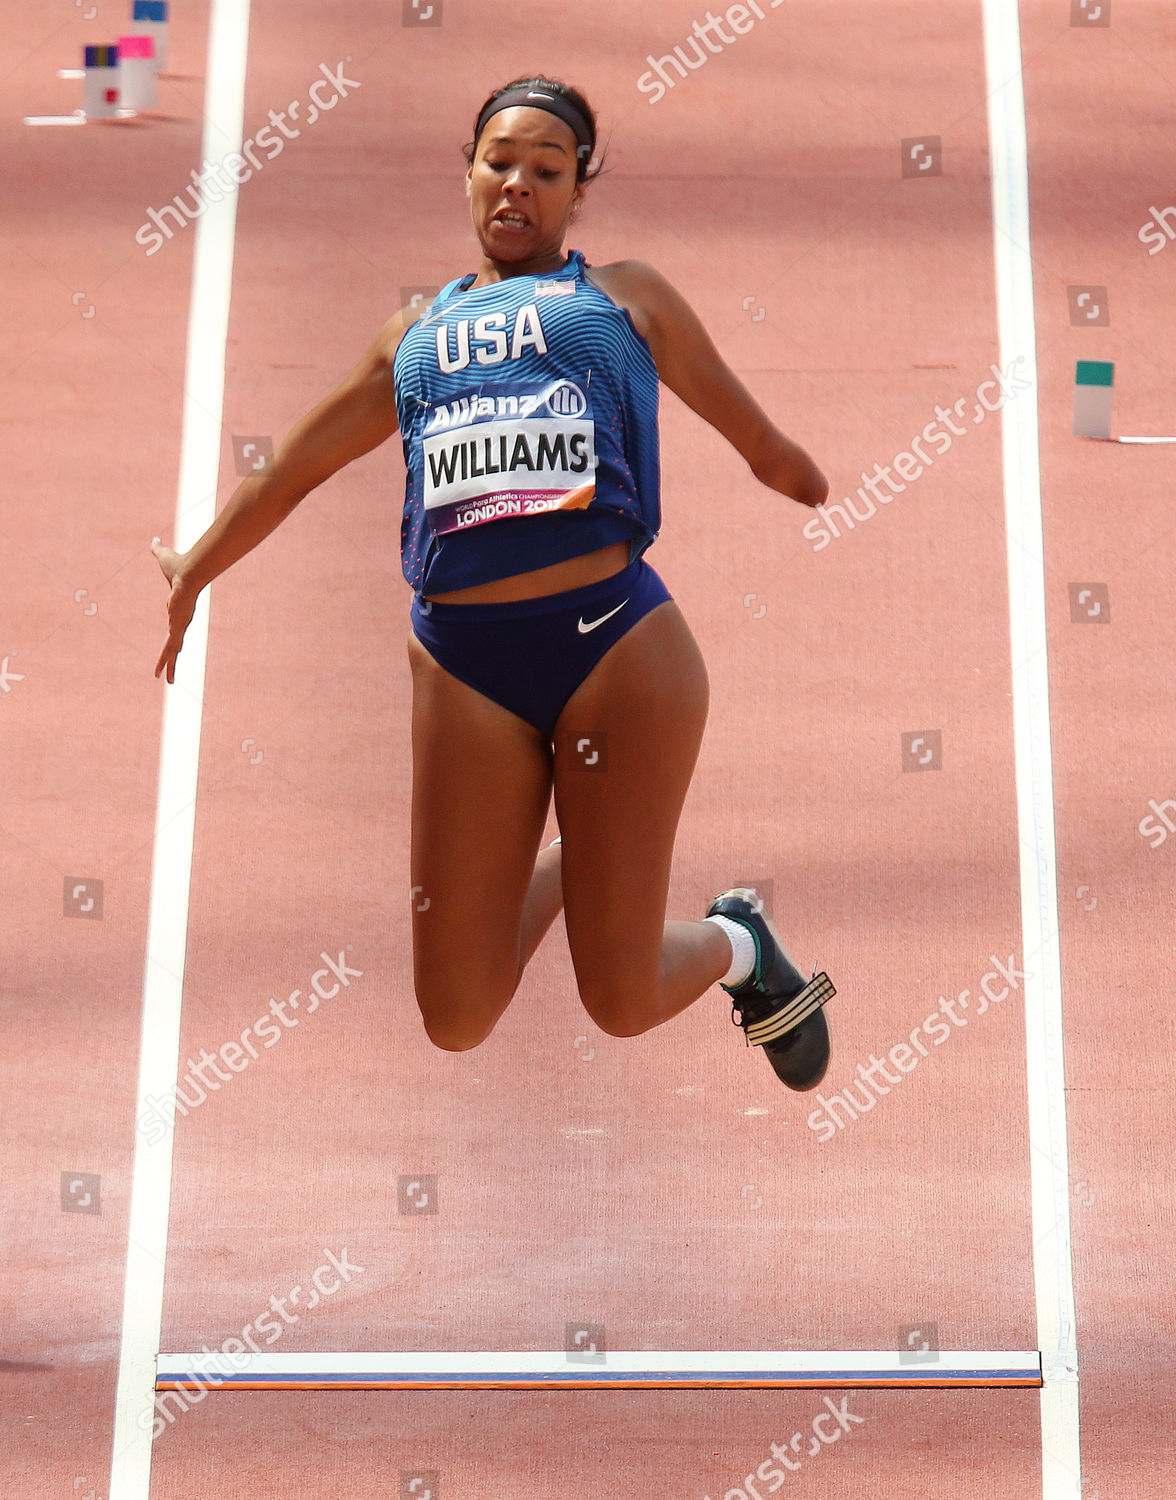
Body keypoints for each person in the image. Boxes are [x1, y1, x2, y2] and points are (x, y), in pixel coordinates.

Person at [153, 75, 836, 1090]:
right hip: (467, 670)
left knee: (622, 1001)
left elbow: (762, 441)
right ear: (469, 176)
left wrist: (803, 477)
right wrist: (194, 571)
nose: (518, 184)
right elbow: (290, 470)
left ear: (577, 194)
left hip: (618, 650)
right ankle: (588, 852)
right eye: (499, 163)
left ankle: (739, 945)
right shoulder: (412, 340)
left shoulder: (624, 299)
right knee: (457, 1016)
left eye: (546, 170)